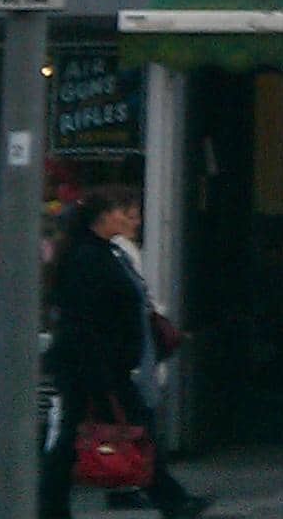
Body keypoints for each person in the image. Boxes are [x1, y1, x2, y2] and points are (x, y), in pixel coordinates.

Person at [42, 189, 208, 519]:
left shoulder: (105, 253)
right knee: (117, 430)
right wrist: (101, 369)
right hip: (94, 366)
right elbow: (86, 318)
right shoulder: (88, 259)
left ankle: (51, 505)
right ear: (101, 218)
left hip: (106, 364)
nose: (125, 217)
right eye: (118, 211)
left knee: (94, 432)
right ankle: (169, 498)